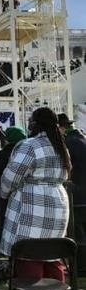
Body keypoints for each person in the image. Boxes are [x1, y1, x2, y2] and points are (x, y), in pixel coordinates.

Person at [0, 107, 71, 290]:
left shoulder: (30, 145)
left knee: (29, 259)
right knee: (51, 255)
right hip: (58, 204)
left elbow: (11, 177)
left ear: (34, 124)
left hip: (32, 205)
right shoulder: (60, 145)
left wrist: (5, 193)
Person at [0, 126, 26, 249]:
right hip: (23, 195)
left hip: (5, 195)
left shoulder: (2, 154)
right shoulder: (25, 152)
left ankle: (0, 245)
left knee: (3, 221)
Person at [58, 113, 86, 271]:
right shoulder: (83, 139)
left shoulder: (67, 143)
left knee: (76, 234)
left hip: (75, 195)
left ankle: (79, 268)